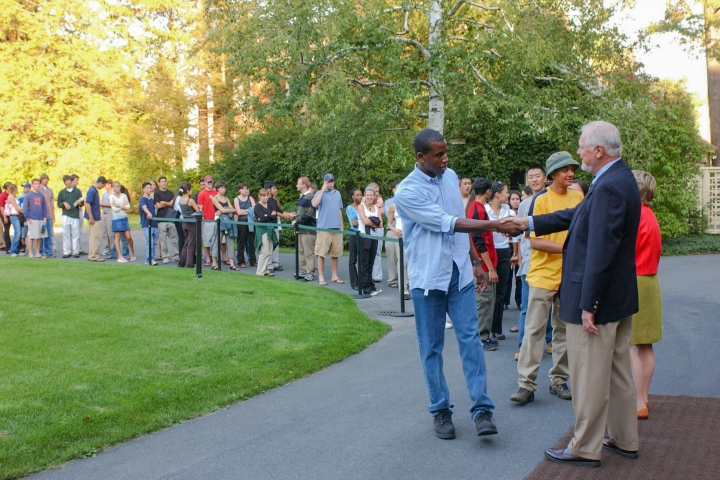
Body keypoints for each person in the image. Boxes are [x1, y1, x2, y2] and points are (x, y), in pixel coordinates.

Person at [508, 121, 640, 467]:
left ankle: (584, 447)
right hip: (618, 297)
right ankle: (625, 439)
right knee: (618, 372)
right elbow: (577, 216)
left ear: (598, 150)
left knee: (590, 376)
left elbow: (600, 250)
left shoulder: (608, 186)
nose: (578, 152)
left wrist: (589, 305)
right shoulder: (617, 178)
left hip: (599, 300)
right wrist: (529, 223)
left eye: (582, 146)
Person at [394, 129, 525, 441]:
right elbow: (448, 223)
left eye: (445, 152)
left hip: (460, 273)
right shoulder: (407, 192)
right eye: (438, 155)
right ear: (420, 157)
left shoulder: (450, 176)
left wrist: (476, 261)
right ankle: (440, 409)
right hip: (428, 281)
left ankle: (482, 410)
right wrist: (495, 224)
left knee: (471, 341)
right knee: (432, 347)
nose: (445, 159)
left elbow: (458, 223)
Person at [510, 152, 583, 406]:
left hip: (570, 274)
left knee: (563, 330)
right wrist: (566, 249)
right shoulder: (540, 201)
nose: (570, 173)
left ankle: (559, 380)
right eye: (564, 170)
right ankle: (526, 384)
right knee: (534, 329)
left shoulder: (579, 197)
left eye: (572, 169)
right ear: (552, 175)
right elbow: (533, 240)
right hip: (542, 274)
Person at [629, 170, 663, 420]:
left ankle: (637, 401)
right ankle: (644, 397)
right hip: (651, 281)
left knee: (628, 345)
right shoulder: (651, 216)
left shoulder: (634, 215)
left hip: (635, 280)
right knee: (645, 345)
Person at [467, 178, 499, 352]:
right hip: (483, 265)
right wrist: (490, 268)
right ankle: (481, 337)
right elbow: (479, 240)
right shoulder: (477, 209)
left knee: (485, 300)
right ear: (488, 192)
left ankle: (484, 335)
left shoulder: (474, 207)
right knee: (484, 300)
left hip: (483, 262)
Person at [485, 182, 518, 340]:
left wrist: (516, 253)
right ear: (497, 194)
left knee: (500, 293)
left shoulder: (509, 211)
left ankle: (496, 329)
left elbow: (516, 233)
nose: (508, 195)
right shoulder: (485, 210)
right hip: (488, 253)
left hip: (504, 252)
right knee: (486, 292)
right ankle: (484, 329)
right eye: (506, 192)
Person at [312, 174, 345, 286]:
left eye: (331, 181)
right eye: (328, 181)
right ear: (324, 182)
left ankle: (334, 276)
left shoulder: (337, 193)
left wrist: (342, 226)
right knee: (321, 253)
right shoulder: (319, 193)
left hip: (336, 227)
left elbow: (339, 210)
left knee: (335, 253)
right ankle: (321, 277)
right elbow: (314, 204)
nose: (330, 184)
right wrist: (322, 190)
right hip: (324, 227)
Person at [358, 187, 383, 296]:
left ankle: (371, 285)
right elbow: (364, 221)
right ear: (365, 196)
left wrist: (373, 222)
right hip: (364, 237)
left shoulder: (376, 208)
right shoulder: (361, 206)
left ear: (374, 196)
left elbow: (381, 224)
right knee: (364, 263)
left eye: (371, 195)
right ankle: (366, 288)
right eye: (367, 195)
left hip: (374, 237)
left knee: (371, 262)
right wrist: (375, 222)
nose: (369, 197)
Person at [265, 181, 295, 272]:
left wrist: (289, 214)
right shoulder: (267, 200)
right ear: (268, 190)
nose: (276, 190)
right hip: (269, 226)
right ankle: (269, 265)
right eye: (274, 188)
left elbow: (279, 211)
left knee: (276, 244)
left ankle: (275, 263)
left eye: (276, 188)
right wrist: (284, 216)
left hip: (275, 225)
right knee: (269, 246)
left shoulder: (274, 201)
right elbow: (273, 212)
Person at [386, 190, 410, 300]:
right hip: (399, 235)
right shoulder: (393, 207)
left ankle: (409, 284)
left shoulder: (410, 205)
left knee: (407, 262)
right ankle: (403, 289)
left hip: (409, 235)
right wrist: (395, 230)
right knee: (401, 262)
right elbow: (389, 224)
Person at [212, 181, 239, 271]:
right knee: (217, 242)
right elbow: (222, 210)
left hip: (228, 222)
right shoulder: (214, 198)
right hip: (219, 222)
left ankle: (232, 263)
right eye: (222, 187)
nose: (224, 189)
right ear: (217, 189)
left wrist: (226, 210)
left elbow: (231, 209)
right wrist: (228, 210)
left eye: (224, 187)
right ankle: (214, 263)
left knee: (230, 241)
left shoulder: (226, 198)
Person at [295, 176, 317, 281]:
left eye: (298, 183)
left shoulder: (310, 197)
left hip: (308, 229)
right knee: (301, 251)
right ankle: (304, 271)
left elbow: (309, 214)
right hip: (301, 229)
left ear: (304, 185)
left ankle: (310, 272)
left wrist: (297, 220)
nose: (297, 185)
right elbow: (301, 213)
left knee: (308, 252)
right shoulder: (302, 197)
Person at [57, 175, 83, 258]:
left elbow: (82, 203)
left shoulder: (77, 191)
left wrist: (79, 203)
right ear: (64, 182)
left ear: (71, 181)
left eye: (69, 180)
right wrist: (63, 203)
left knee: (76, 234)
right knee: (65, 233)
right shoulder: (61, 192)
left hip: (75, 214)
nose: (68, 182)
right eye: (66, 180)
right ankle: (66, 251)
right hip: (66, 214)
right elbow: (59, 204)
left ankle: (76, 251)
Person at [254, 188, 279, 276]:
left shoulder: (269, 205)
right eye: (263, 196)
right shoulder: (257, 206)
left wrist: (266, 216)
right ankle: (260, 271)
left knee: (269, 251)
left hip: (270, 229)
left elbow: (274, 217)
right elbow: (261, 218)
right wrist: (268, 216)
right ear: (259, 196)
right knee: (264, 251)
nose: (265, 198)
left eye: (266, 196)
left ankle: (266, 269)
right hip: (262, 230)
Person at [154, 176, 179, 264]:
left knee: (174, 238)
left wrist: (164, 202)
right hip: (161, 219)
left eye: (165, 181)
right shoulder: (157, 193)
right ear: (159, 183)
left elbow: (172, 204)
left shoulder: (170, 193)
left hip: (170, 218)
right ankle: (165, 256)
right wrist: (168, 203)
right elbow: (158, 206)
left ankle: (176, 256)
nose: (164, 183)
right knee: (163, 239)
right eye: (162, 181)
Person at [504, 190, 522, 309]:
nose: (515, 201)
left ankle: (519, 301)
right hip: (507, 245)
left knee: (519, 276)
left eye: (517, 199)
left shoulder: (521, 212)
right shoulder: (507, 212)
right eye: (513, 199)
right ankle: (505, 301)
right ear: (510, 201)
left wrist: (516, 253)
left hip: (518, 245)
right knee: (507, 276)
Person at [109, 181, 136, 263]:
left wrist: (118, 205)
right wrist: (122, 206)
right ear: (113, 187)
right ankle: (120, 256)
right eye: (116, 186)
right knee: (117, 237)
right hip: (116, 218)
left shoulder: (124, 195)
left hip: (124, 217)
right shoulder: (111, 197)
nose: (117, 188)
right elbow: (114, 209)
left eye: (118, 186)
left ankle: (132, 252)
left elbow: (128, 206)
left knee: (128, 237)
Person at [177, 182, 201, 268]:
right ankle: (189, 263)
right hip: (192, 223)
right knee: (191, 244)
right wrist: (200, 208)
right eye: (191, 189)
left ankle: (181, 262)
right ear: (187, 191)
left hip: (184, 222)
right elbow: (197, 210)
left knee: (186, 243)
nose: (192, 191)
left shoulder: (180, 200)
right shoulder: (190, 200)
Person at [24, 179, 48, 258]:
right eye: (36, 184)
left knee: (39, 237)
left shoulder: (41, 195)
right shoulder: (28, 195)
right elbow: (25, 207)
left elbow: (44, 206)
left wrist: (44, 216)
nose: (38, 185)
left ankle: (37, 253)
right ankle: (30, 253)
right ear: (32, 185)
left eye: (38, 184)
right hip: (32, 218)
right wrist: (28, 217)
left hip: (40, 218)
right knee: (32, 236)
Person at [196, 175, 218, 267]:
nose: (210, 183)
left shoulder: (216, 192)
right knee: (207, 241)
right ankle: (208, 257)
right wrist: (203, 220)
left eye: (211, 182)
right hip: (207, 219)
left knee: (216, 240)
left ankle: (215, 257)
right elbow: (200, 208)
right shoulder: (202, 194)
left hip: (215, 219)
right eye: (208, 182)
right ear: (205, 183)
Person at [384, 181, 401, 289]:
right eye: (397, 188)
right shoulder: (389, 202)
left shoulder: (407, 201)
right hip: (391, 230)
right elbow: (388, 215)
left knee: (403, 258)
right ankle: (392, 279)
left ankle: (405, 280)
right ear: (393, 190)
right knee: (391, 256)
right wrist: (395, 229)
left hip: (403, 232)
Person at [233, 183, 256, 268]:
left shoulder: (250, 198)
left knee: (251, 242)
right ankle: (241, 261)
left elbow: (254, 210)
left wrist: (245, 210)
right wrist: (249, 210)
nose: (245, 190)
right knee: (241, 242)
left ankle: (253, 261)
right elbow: (239, 212)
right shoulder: (236, 199)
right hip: (241, 221)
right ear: (239, 190)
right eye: (243, 189)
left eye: (246, 188)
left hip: (250, 221)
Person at [84, 176, 106, 262]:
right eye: (103, 185)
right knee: (95, 237)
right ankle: (94, 255)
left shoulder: (94, 190)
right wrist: (91, 217)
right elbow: (87, 204)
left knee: (93, 237)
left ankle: (91, 254)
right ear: (100, 183)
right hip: (94, 217)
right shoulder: (92, 191)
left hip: (96, 216)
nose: (103, 187)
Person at [346, 188, 363, 290]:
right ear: (352, 197)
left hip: (363, 234)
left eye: (361, 195)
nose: (360, 197)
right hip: (354, 233)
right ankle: (354, 282)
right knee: (353, 259)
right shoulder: (349, 208)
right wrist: (364, 220)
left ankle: (362, 281)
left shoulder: (364, 207)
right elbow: (354, 223)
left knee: (363, 259)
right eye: (357, 195)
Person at [139, 181, 159, 265]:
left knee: (154, 243)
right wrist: (148, 213)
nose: (149, 189)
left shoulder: (151, 199)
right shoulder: (142, 199)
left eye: (150, 188)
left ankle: (152, 258)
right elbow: (144, 207)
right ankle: (148, 260)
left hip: (154, 224)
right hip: (147, 224)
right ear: (143, 189)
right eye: (147, 188)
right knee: (149, 243)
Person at [39, 174, 56, 257]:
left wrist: (53, 215)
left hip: (49, 214)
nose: (45, 180)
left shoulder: (50, 190)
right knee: (41, 233)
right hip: (41, 215)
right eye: (44, 178)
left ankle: (49, 251)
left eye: (47, 179)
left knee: (49, 234)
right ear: (41, 179)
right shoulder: (38, 189)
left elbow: (52, 203)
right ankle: (40, 251)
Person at [4, 184, 24, 256]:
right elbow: (17, 208)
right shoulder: (11, 197)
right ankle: (13, 251)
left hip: (17, 216)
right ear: (14, 189)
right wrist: (25, 212)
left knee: (18, 233)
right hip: (14, 216)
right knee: (17, 233)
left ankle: (16, 250)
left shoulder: (14, 197)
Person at [100, 179, 116, 258]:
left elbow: (110, 204)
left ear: (110, 184)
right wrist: (102, 204)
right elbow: (102, 204)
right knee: (104, 232)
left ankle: (113, 249)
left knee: (110, 233)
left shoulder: (113, 194)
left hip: (110, 213)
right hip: (104, 213)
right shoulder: (104, 194)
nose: (104, 186)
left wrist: (102, 203)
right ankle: (107, 248)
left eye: (106, 184)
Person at [0, 182, 10, 253]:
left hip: (8, 213)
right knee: (5, 230)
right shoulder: (3, 195)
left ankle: (2, 244)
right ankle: (5, 246)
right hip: (3, 213)